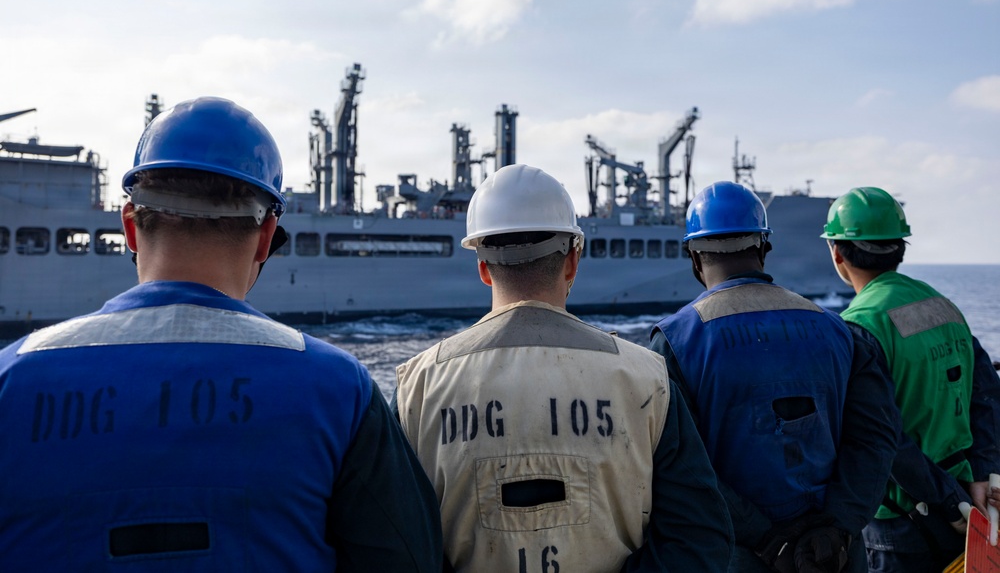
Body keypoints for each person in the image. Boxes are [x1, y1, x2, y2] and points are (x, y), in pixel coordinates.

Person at [0, 97, 443, 572]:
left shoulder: (10, 378)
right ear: (266, 236)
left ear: (130, 227)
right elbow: (409, 560)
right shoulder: (342, 391)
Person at [393, 163, 734, 572]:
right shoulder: (648, 380)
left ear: (483, 268)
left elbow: (393, 544)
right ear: (572, 261)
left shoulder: (418, 387)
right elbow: (700, 538)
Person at [649, 181, 900, 573]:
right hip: (833, 557)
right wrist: (837, 528)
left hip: (736, 557)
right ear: (764, 248)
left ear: (694, 256)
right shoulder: (840, 331)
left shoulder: (674, 342)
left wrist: (766, 539)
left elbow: (681, 469)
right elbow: (876, 439)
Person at [822, 186, 1000, 572]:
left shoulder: (858, 326)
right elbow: (987, 393)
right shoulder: (942, 305)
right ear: (900, 248)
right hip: (966, 503)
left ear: (837, 254)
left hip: (901, 521)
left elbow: (879, 435)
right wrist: (983, 474)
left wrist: (948, 500)